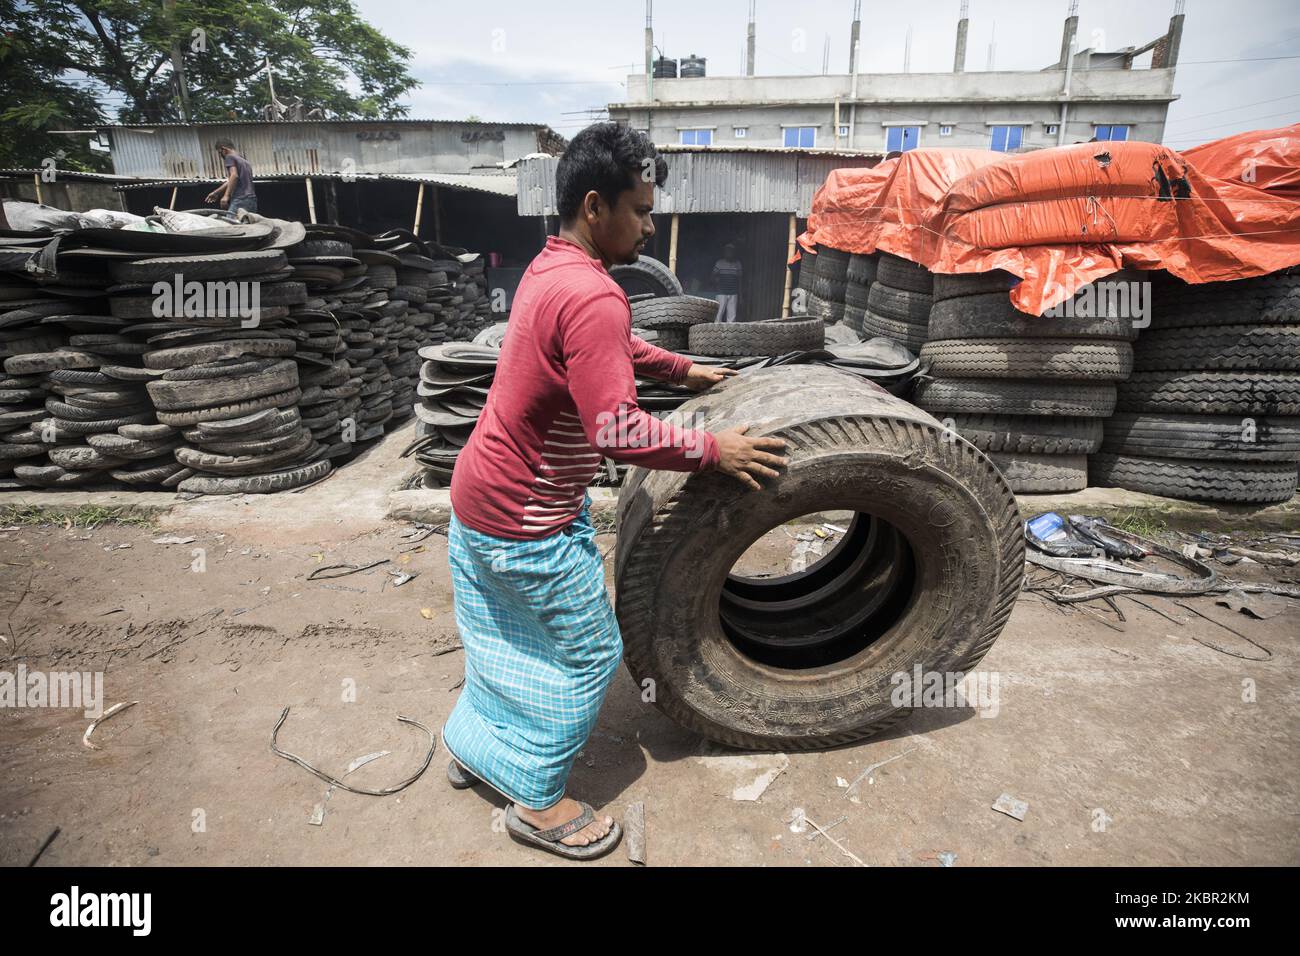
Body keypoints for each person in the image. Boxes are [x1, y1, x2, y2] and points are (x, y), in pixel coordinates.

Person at [442, 123, 788, 860]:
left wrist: (678, 369)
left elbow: (610, 344)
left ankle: (481, 747)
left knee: (501, 637)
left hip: (477, 496)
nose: (651, 224)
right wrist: (712, 449)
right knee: (590, 653)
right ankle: (535, 799)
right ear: (595, 207)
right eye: (641, 208)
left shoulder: (550, 268)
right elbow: (617, 434)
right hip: (524, 520)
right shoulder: (593, 293)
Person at [205, 139, 257, 215]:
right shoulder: (244, 161)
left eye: (220, 152)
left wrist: (226, 196)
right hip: (251, 200)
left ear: (224, 149)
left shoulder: (229, 157)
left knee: (230, 224)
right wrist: (216, 193)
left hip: (240, 199)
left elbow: (234, 176)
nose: (220, 156)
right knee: (248, 225)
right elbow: (231, 180)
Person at [712, 243, 742, 322]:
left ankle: (730, 334)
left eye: (731, 251)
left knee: (732, 317)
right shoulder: (719, 263)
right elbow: (712, 276)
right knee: (718, 315)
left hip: (733, 293)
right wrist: (717, 283)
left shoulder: (738, 264)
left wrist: (740, 294)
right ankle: (715, 333)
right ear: (724, 252)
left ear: (734, 253)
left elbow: (740, 280)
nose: (729, 253)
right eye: (727, 251)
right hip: (721, 293)